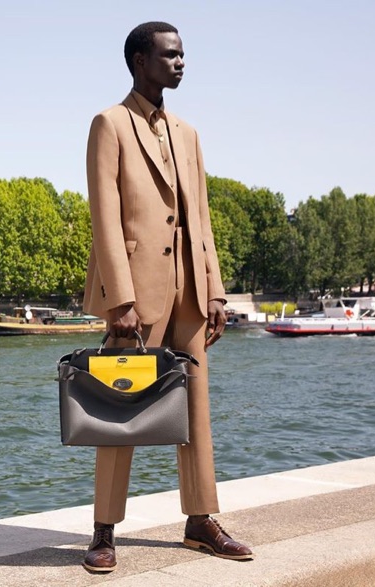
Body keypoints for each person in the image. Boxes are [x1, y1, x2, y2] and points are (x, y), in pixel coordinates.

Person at [81, 21, 253, 572]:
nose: (181, 63)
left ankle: (201, 520)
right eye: (170, 55)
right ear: (139, 60)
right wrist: (120, 299)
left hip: (191, 293)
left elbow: (200, 217)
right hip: (135, 295)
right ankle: (103, 531)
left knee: (196, 411)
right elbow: (106, 219)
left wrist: (217, 290)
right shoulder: (109, 124)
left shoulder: (188, 132)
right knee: (119, 410)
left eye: (183, 55)